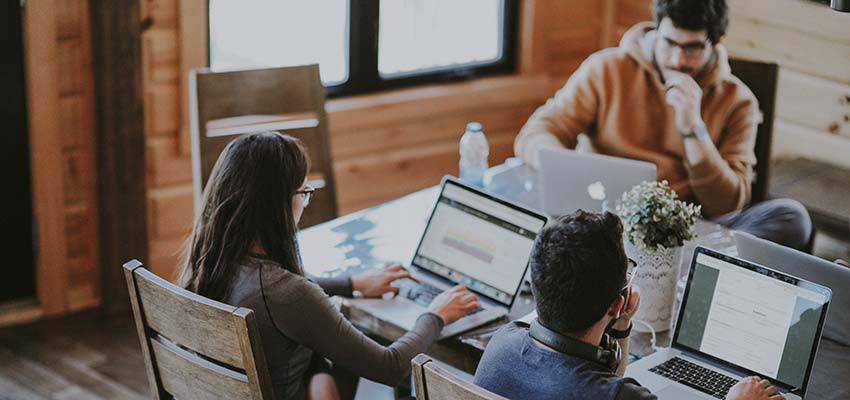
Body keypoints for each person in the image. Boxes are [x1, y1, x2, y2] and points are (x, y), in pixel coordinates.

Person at [176, 132, 480, 400]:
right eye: (303, 192)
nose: (305, 202)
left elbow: (288, 293)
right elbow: (390, 367)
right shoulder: (286, 294)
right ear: (277, 204)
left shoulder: (212, 259)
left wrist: (352, 284)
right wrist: (436, 314)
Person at [514, 0, 812, 251]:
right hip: (605, 218)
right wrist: (574, 169)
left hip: (688, 232)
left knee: (792, 217)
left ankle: (686, 268)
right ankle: (680, 270)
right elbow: (536, 134)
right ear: (657, 29)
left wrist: (694, 130)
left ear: (716, 43)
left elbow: (728, 203)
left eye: (693, 48)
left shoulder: (739, 102)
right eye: (669, 42)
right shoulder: (606, 69)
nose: (678, 59)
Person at [473, 210, 784, 400]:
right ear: (617, 303)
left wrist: (620, 327)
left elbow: (603, 381)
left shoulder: (501, 344)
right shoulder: (620, 397)